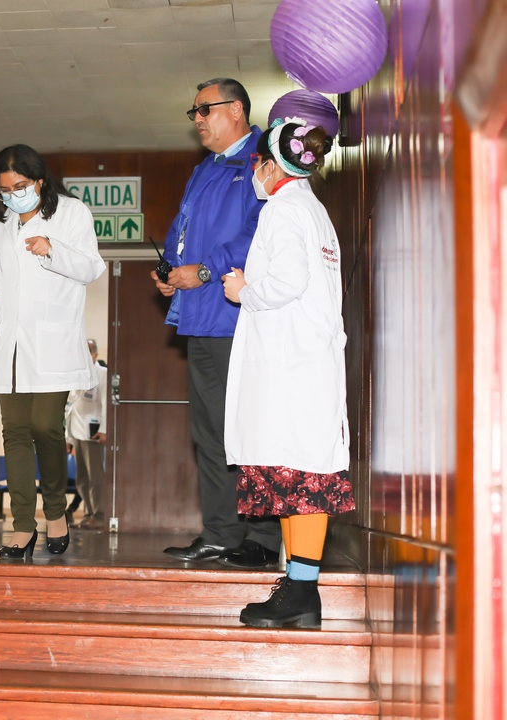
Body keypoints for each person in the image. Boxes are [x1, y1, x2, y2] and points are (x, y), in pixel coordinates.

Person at [222, 118, 354, 628]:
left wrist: (243, 291)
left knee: (297, 474)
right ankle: (300, 591)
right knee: (301, 476)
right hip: (307, 362)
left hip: (289, 367)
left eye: (258, 163)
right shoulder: (313, 210)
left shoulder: (282, 209)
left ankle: (301, 593)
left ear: (272, 166)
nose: (256, 172)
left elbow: (287, 282)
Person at [154, 78, 282, 568]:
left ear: (236, 110)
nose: (198, 120)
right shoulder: (203, 170)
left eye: (204, 109)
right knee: (211, 433)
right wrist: (171, 271)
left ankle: (264, 538)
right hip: (201, 319)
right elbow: (181, 231)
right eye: (194, 113)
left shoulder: (263, 161)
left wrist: (205, 271)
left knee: (253, 428)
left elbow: (261, 234)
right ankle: (222, 533)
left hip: (241, 318)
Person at [0, 144, 106, 559]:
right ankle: (23, 526)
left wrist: (53, 249)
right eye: (5, 190)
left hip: (52, 342)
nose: (12, 196)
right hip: (10, 345)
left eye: (20, 186)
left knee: (44, 426)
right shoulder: (2, 224)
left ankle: (55, 511)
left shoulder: (71, 212)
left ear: (39, 181)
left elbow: (91, 267)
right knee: (15, 433)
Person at [66, 339, 107, 530]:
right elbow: (70, 407)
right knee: (82, 478)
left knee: (95, 477)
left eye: (88, 351)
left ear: (95, 355)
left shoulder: (102, 374)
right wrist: (68, 437)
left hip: (94, 433)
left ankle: (99, 515)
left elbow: (106, 404)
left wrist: (104, 430)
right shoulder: (75, 375)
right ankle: (89, 514)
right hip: (77, 432)